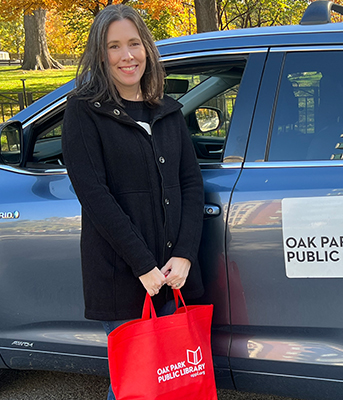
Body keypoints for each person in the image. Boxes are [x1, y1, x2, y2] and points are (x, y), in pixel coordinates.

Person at [61, 4, 204, 399]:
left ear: (147, 49)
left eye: (134, 44)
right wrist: (143, 266)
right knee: (138, 386)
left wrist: (186, 255)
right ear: (100, 54)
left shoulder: (169, 111)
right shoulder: (83, 112)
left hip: (175, 275)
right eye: (114, 46)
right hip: (124, 278)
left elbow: (191, 185)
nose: (127, 56)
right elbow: (94, 196)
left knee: (176, 385)